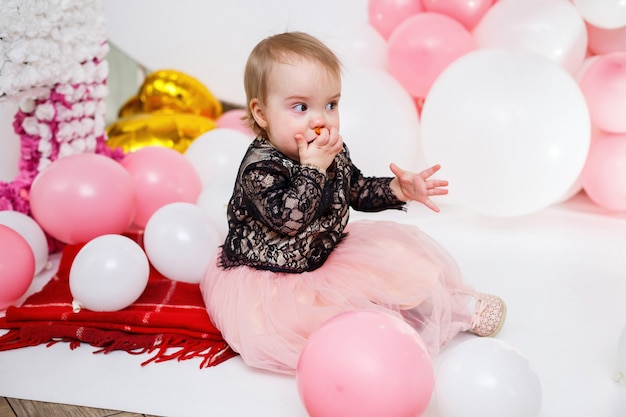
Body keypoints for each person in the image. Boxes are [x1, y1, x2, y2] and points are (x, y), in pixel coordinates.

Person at [201, 31, 506, 375]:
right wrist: (313, 168)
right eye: (301, 107)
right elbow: (290, 219)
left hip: (324, 253)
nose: (321, 119)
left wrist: (398, 189)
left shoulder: (329, 149)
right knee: (298, 325)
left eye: (330, 104)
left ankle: (454, 307)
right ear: (261, 113)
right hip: (273, 274)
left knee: (397, 264)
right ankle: (373, 337)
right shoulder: (261, 168)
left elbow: (355, 188)